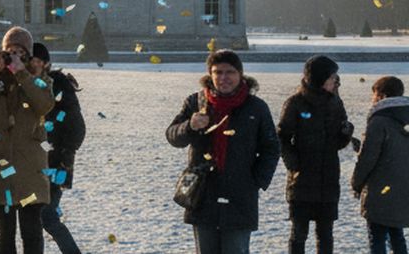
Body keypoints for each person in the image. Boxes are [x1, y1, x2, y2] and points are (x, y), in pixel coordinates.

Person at [167, 49, 280, 254]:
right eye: (217, 72)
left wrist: (256, 181)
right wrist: (189, 127)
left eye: (229, 72)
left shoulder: (256, 107)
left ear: (240, 74)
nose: (223, 78)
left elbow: (271, 147)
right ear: (209, 75)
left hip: (239, 196)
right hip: (203, 194)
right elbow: (173, 136)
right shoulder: (196, 103)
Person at [0, 26, 55, 254]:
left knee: (31, 231)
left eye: (20, 50)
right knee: (4, 234)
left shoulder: (38, 77)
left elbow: (44, 105)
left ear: (28, 52)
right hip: (0, 163)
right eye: (10, 50)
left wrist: (22, 74)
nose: (15, 54)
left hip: (30, 168)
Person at [277, 55, 354, 254]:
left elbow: (337, 142)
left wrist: (346, 134)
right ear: (319, 78)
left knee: (326, 234)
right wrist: (294, 164)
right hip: (301, 180)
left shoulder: (335, 103)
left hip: (328, 178)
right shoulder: (295, 103)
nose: (336, 81)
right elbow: (282, 137)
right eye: (332, 77)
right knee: (299, 233)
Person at [30, 42, 87, 254]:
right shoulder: (24, 85)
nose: (32, 66)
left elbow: (77, 128)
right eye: (29, 62)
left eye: (36, 61)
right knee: (35, 217)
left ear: (45, 63)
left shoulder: (59, 85)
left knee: (47, 215)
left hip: (55, 163)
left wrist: (63, 158)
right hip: (31, 162)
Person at [351, 75, 409, 254]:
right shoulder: (404, 119)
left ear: (382, 96)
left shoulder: (379, 121)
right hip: (401, 189)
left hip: (379, 190)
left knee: (377, 238)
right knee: (396, 235)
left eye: (374, 95)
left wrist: (356, 183)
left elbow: (368, 158)